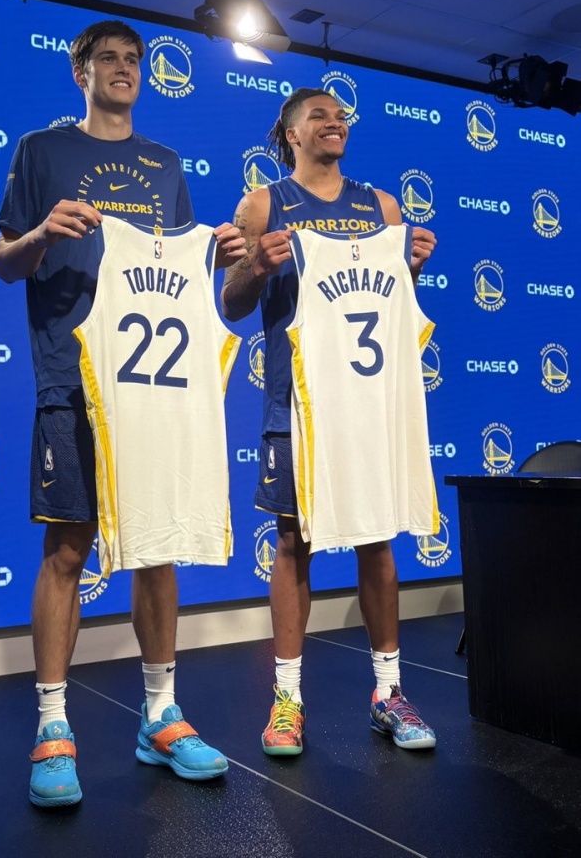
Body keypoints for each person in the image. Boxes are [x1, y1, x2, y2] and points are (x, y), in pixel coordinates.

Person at [0, 19, 246, 806]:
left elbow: (180, 267)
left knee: (156, 547)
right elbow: (4, 263)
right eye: (108, 58)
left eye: (134, 59)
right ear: (81, 73)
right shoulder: (42, 150)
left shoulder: (165, 164)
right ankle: (53, 727)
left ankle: (161, 716)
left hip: (153, 388)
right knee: (67, 550)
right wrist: (43, 232)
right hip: (71, 375)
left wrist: (222, 256)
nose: (124, 68)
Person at [221, 87, 438, 757]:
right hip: (297, 403)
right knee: (293, 543)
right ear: (291, 133)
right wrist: (258, 265)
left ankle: (388, 692)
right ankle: (287, 699)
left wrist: (411, 268)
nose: (334, 122)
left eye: (341, 115)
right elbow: (231, 303)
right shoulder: (263, 204)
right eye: (319, 115)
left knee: (377, 540)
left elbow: (394, 303)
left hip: (367, 402)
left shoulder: (382, 207)